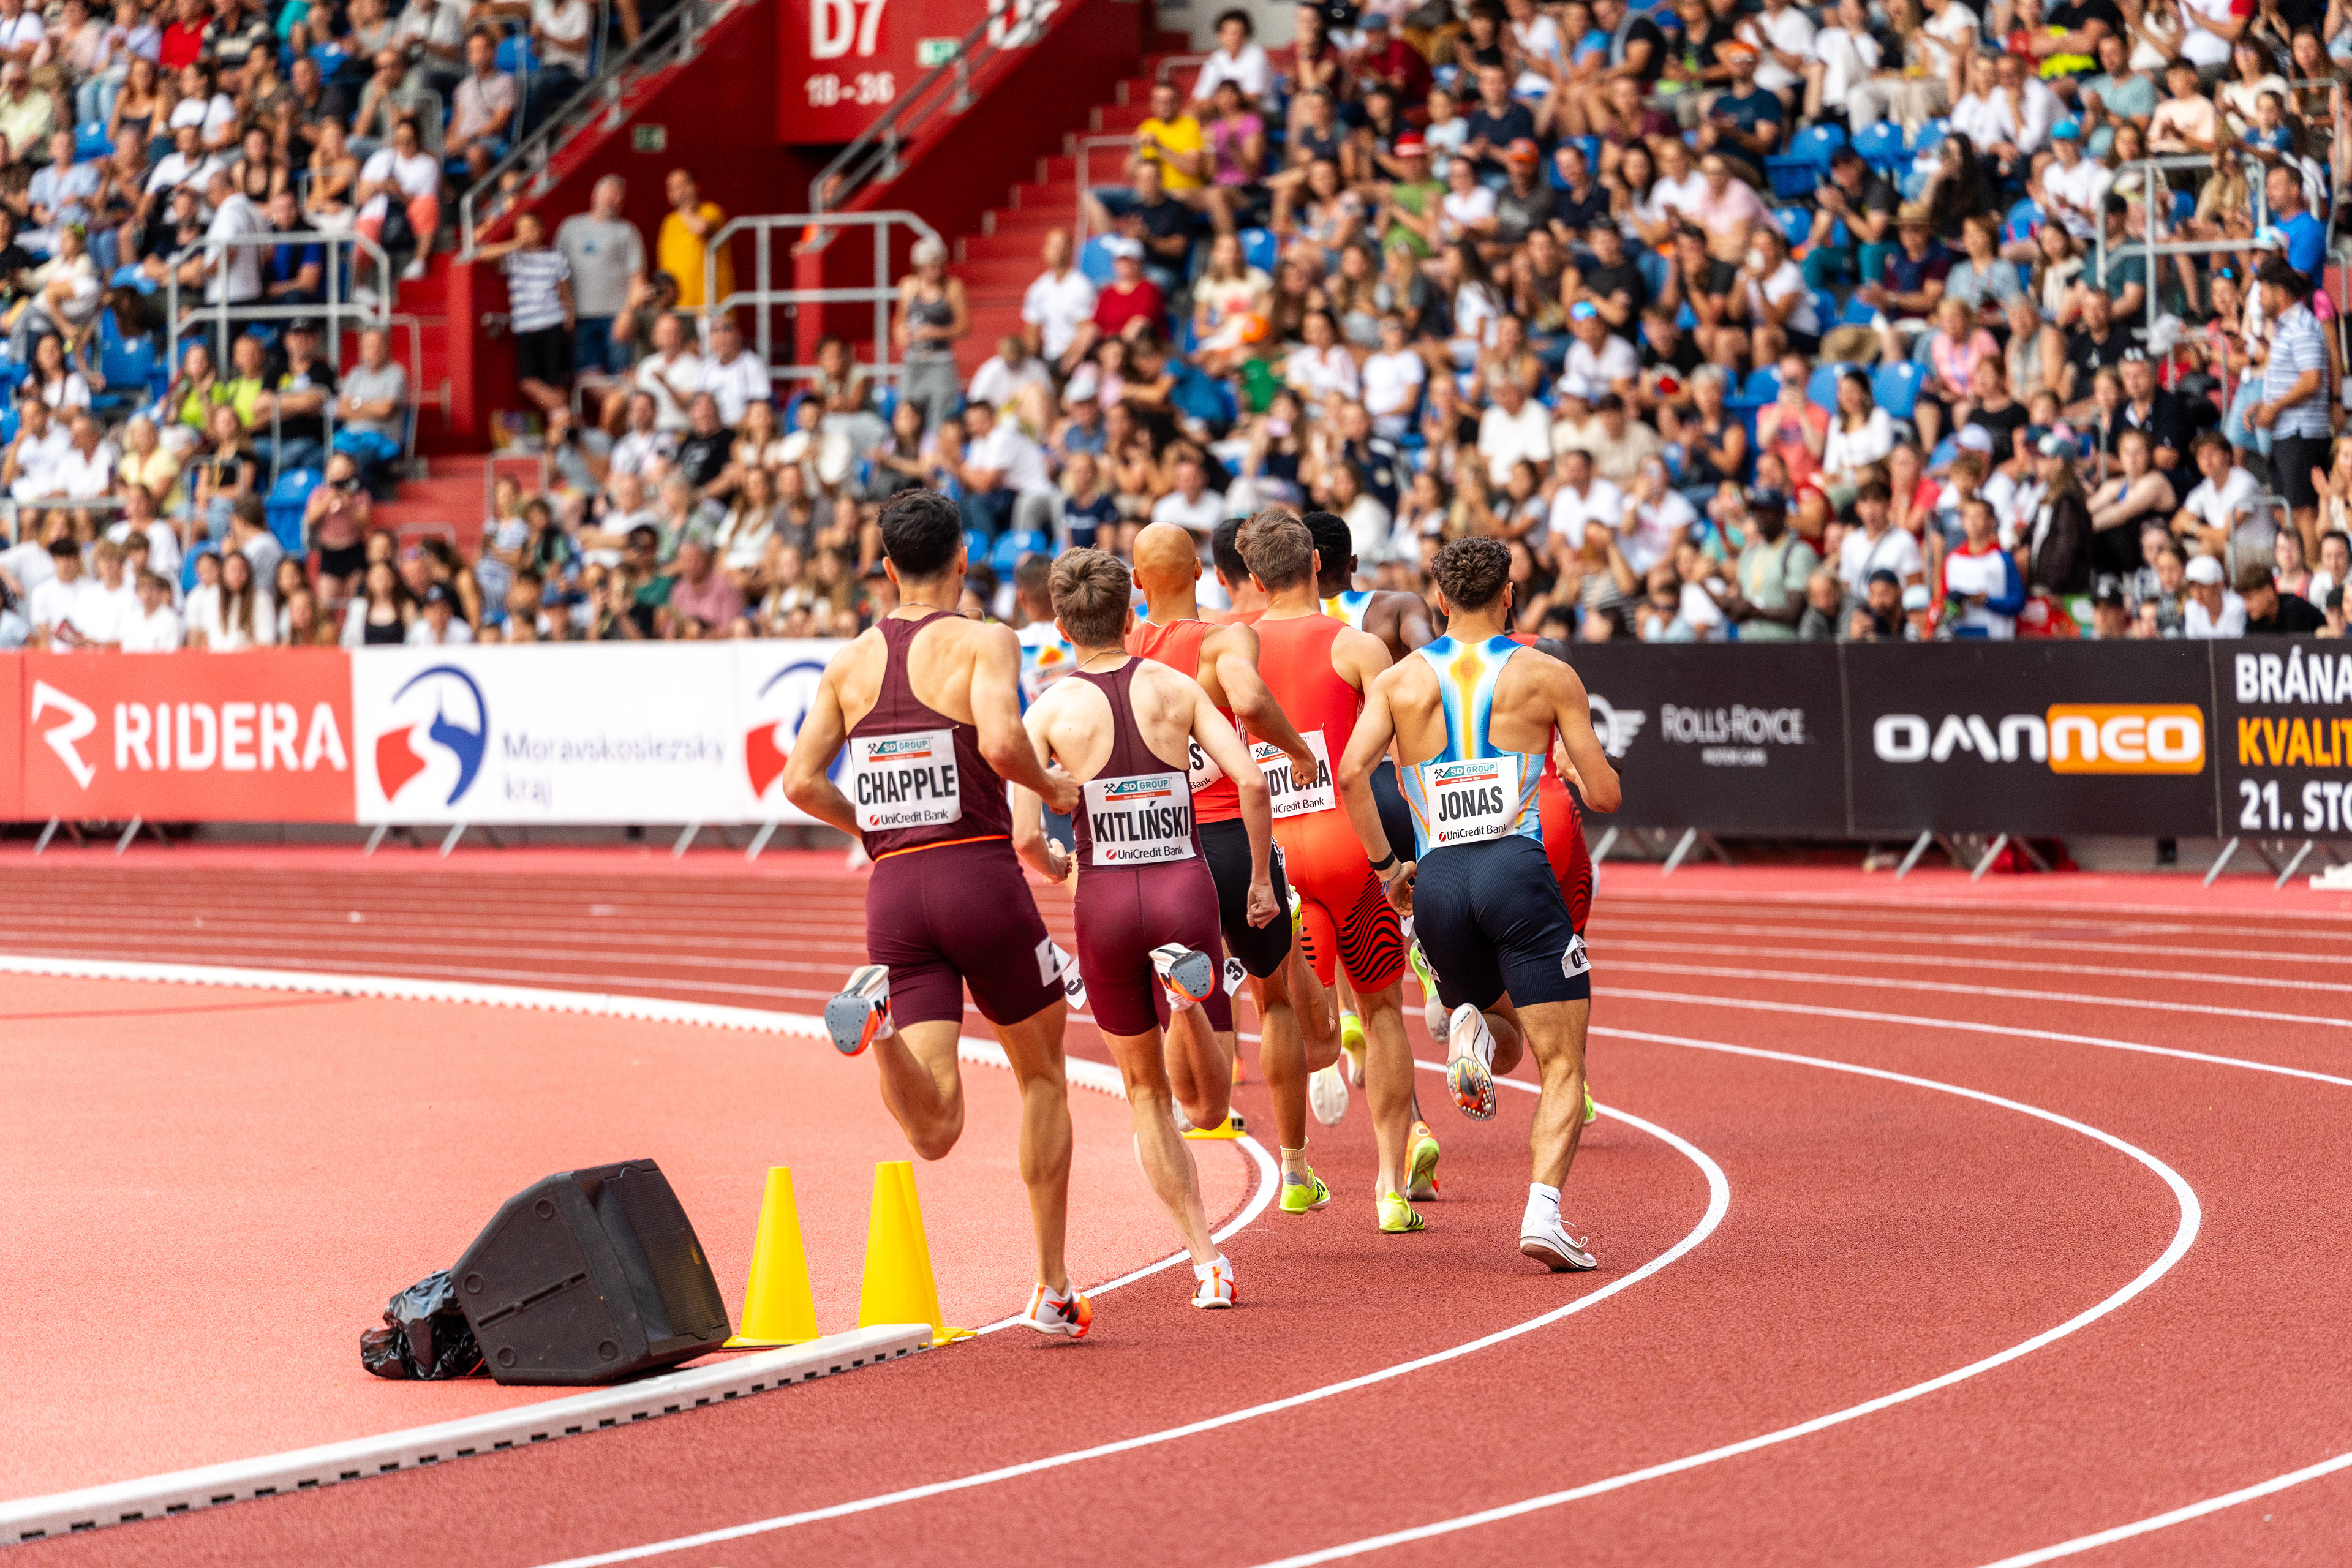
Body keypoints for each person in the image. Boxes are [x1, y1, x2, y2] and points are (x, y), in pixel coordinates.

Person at [783, 489, 1089, 1340]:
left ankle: (877, 1027)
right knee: (1041, 1077)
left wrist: (871, 829)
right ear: (963, 560)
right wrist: (1052, 787)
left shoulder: (847, 664)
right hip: (979, 877)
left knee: (938, 1127)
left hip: (896, 896)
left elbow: (799, 783)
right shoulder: (984, 640)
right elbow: (998, 743)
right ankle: (1052, 1287)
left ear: (885, 570)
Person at [1340, 535, 1620, 1270]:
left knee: (1507, 1037)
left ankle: (1466, 1024)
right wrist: (1568, 758)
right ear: (1509, 596)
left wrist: (1386, 866)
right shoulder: (1546, 673)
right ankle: (1544, 1215)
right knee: (1563, 1063)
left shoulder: (1400, 681)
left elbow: (1349, 773)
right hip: (1515, 872)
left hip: (1436, 885)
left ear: (1438, 599)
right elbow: (1605, 793)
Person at [1011, 546, 1274, 1310]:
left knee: (1147, 1097)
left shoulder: (1050, 710)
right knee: (1208, 1103)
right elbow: (1251, 780)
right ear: (1130, 615)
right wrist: (1258, 880)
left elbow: (1025, 835)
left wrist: (1063, 868)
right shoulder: (1175, 686)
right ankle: (1187, 1000)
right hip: (1182, 887)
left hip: (1104, 902)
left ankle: (1207, 1259)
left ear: (1061, 624)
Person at [1128, 521, 1341, 1188]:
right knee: (1275, 1003)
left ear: (1136, 583)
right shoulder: (1223, 639)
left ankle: (1188, 1106)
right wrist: (1299, 750)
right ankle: (1297, 1170)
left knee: (1181, 1015)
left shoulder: (1122, 643)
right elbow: (1248, 698)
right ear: (1199, 571)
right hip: (1226, 837)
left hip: (1154, 844)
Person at [1240, 511, 1424, 1232]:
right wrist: (1401, 860)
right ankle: (1389, 1187)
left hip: (1273, 857)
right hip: (1351, 852)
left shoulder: (1233, 652)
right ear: (1319, 563)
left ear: (1254, 579)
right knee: (1382, 1013)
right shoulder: (1358, 647)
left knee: (1277, 1012)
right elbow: (1405, 760)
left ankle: (1293, 1170)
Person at [476, 209, 571, 415]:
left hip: (552, 324)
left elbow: (565, 292)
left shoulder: (555, 257)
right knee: (528, 382)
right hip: (526, 328)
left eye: (530, 229)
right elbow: (482, 254)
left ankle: (562, 424)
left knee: (556, 381)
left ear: (541, 231)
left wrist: (569, 320)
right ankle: (567, 418)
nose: (526, 233)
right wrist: (516, 244)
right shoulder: (513, 258)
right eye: (521, 230)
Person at [556, 176, 645, 379]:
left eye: (618, 196)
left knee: (624, 374)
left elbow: (637, 279)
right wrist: (566, 309)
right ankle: (613, 407)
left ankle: (614, 407)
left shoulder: (628, 231)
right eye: (610, 193)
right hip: (579, 317)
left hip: (617, 317)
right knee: (585, 375)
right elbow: (558, 274)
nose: (614, 199)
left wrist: (628, 314)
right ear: (594, 196)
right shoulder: (570, 228)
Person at [656, 166, 728, 314]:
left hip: (712, 309)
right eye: (673, 188)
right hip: (679, 310)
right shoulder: (669, 223)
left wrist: (684, 208)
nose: (680, 192)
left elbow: (701, 228)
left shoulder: (711, 211)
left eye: (684, 186)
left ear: (697, 187)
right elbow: (664, 269)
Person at [2240, 562, 2328, 633]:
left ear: (2269, 593)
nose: (2246, 607)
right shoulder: (2255, 617)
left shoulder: (2295, 610)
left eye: (2249, 598)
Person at [2180, 551, 2245, 636]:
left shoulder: (2236, 606)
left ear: (2219, 586)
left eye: (2203, 586)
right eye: (2193, 586)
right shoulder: (2191, 608)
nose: (2197, 592)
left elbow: (2234, 647)